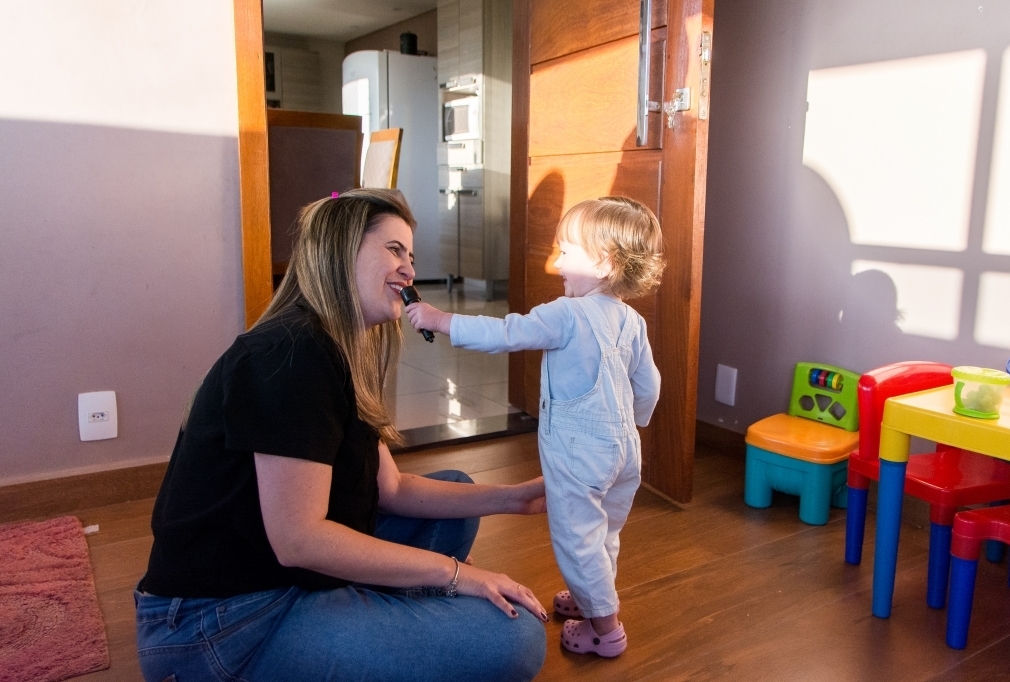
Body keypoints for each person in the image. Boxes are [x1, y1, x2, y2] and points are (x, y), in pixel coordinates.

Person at [135, 189, 548, 682]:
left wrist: (515, 498)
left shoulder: (339, 349)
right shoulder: (291, 354)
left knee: (457, 490)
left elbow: (392, 489)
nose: (409, 270)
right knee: (516, 640)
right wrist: (460, 575)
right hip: (225, 621)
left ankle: (367, 621)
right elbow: (300, 539)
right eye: (394, 250)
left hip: (290, 578)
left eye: (411, 256)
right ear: (340, 250)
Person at [408, 196, 663, 658]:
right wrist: (635, 422)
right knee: (603, 533)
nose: (556, 262)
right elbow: (649, 386)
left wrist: (441, 319)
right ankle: (590, 597)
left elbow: (506, 332)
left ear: (604, 263)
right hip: (625, 453)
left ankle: (605, 630)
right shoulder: (633, 321)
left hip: (579, 456)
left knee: (577, 539)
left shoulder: (567, 314)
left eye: (565, 251)